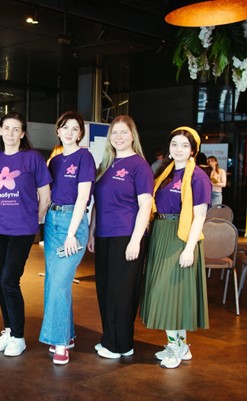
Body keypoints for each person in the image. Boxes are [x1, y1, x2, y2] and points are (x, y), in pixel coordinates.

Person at [140, 126, 211, 369]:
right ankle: (181, 345)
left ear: (193, 150)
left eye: (184, 145)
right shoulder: (165, 172)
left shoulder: (198, 177)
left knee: (167, 293)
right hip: (160, 234)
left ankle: (175, 347)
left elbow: (199, 216)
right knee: (172, 295)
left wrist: (189, 248)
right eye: (174, 144)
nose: (178, 149)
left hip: (180, 237)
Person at [87, 115, 153, 359]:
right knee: (105, 290)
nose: (118, 137)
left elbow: (145, 205)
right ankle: (109, 339)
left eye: (124, 132)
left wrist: (136, 240)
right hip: (104, 235)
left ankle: (121, 344)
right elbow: (98, 203)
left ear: (133, 136)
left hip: (126, 235)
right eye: (114, 132)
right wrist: (92, 232)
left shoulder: (139, 165)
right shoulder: (106, 164)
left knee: (121, 293)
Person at [0, 112, 50, 357]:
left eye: (16, 129)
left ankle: (18, 336)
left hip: (22, 230)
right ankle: (9, 330)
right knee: (0, 278)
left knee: (9, 280)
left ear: (22, 134)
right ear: (1, 131)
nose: (11, 133)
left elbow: (45, 197)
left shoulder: (33, 158)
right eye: (7, 128)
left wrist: (33, 219)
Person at [39, 111, 95, 365]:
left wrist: (72, 233)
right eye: (65, 127)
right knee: (53, 281)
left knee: (60, 282)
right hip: (53, 221)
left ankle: (60, 342)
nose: (69, 132)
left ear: (80, 133)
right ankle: (67, 334)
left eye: (75, 128)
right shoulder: (54, 161)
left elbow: (83, 197)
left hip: (73, 222)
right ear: (58, 131)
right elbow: (46, 195)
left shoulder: (85, 157)